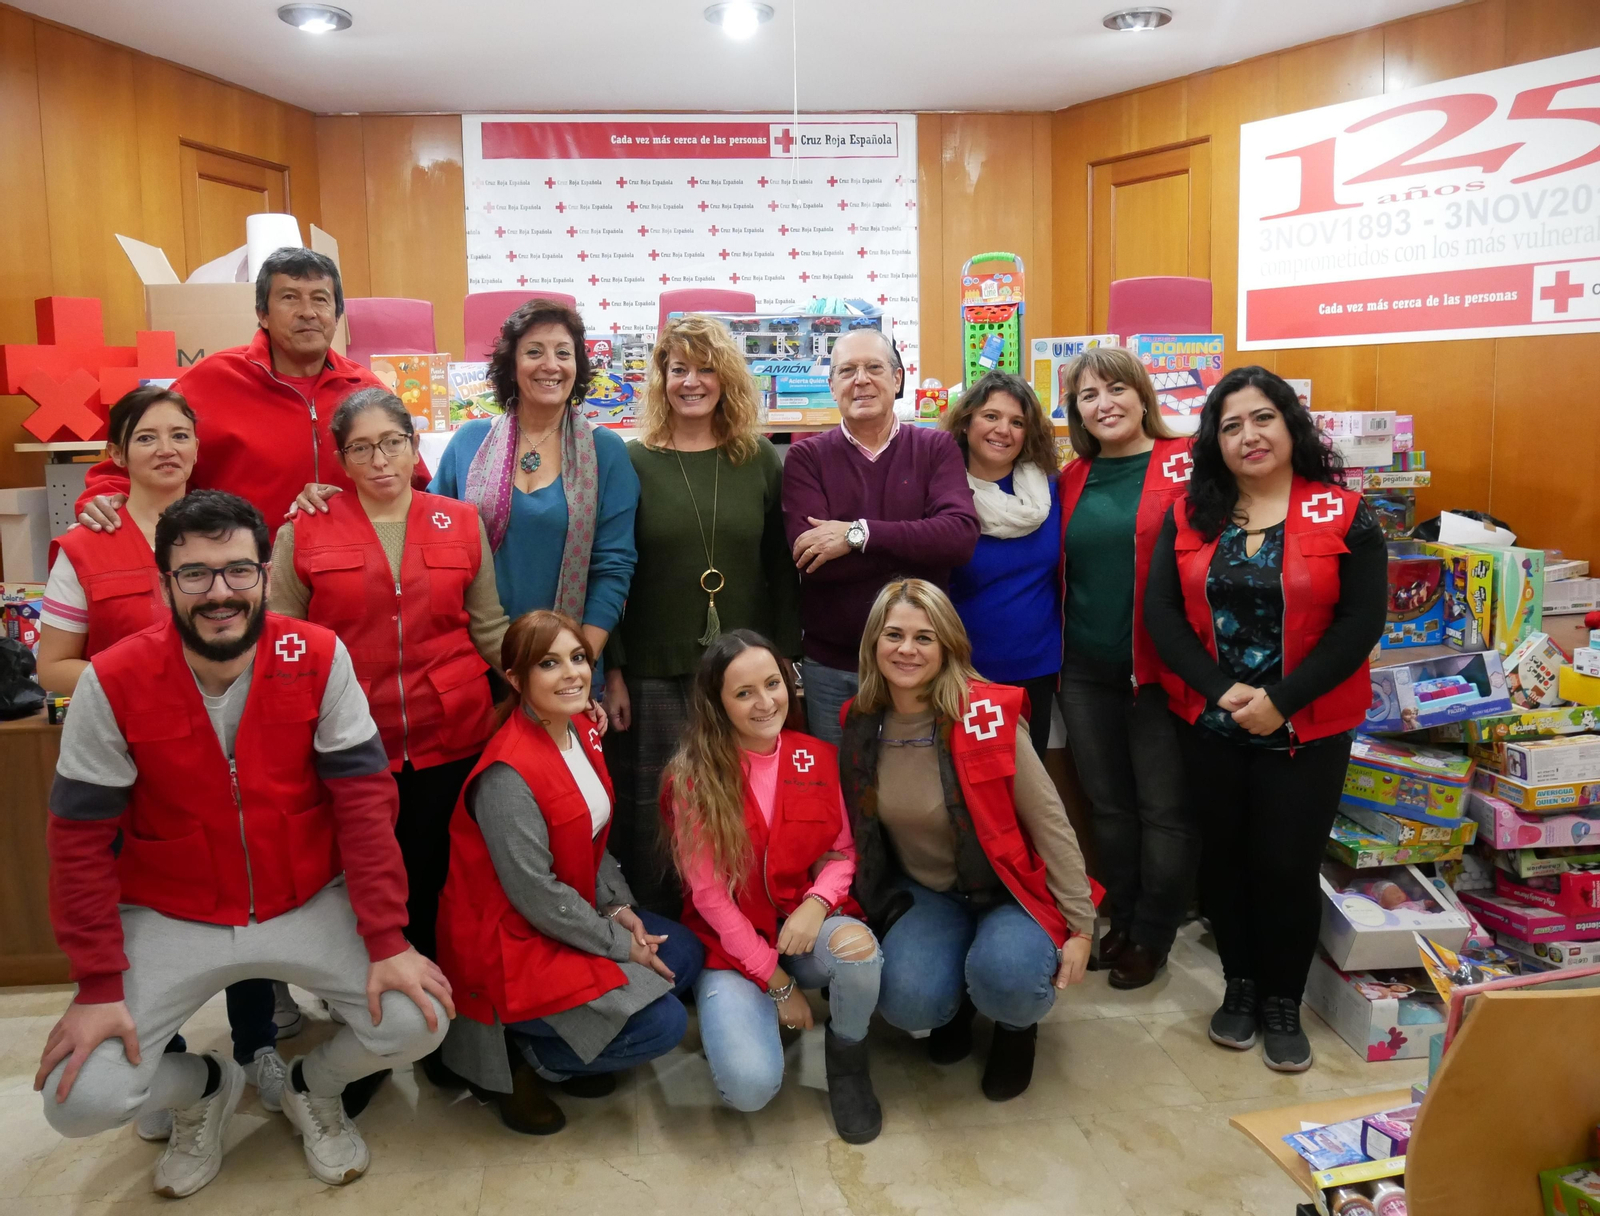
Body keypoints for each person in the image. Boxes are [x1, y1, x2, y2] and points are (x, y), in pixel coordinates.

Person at [35, 490, 451, 1198]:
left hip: (307, 900)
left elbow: (364, 806)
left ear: (264, 573)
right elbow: (77, 842)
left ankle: (307, 1086)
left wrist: (387, 940)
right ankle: (205, 1088)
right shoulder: (114, 679)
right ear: (166, 582)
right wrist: (96, 986)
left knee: (422, 1017)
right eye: (194, 574)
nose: (218, 592)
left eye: (238, 570)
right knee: (80, 1099)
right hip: (171, 914)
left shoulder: (318, 656)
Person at [37, 386, 287, 1132]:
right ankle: (170, 1058)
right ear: (117, 454)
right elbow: (54, 666)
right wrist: (154, 688)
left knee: (250, 887)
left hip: (235, 754)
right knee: (146, 906)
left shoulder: (229, 530)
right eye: (147, 437)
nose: (167, 449)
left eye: (181, 434)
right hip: (131, 763)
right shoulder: (88, 542)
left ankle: (259, 1045)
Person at [1144, 365, 1386, 1073]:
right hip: (1212, 723)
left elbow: (1359, 624)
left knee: (1285, 866)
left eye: (1262, 419)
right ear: (1213, 441)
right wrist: (1222, 692)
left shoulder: (1343, 512)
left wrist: (1279, 700)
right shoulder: (1191, 515)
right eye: (1230, 425)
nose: (1248, 436)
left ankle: (1283, 998)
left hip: (1306, 729)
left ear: (1290, 425)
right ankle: (1240, 987)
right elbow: (1162, 614)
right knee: (1222, 862)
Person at [269, 388, 507, 1077]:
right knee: (363, 897)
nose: (380, 459)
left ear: (413, 446)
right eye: (362, 447)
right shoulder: (304, 529)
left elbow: (489, 629)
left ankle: (434, 1037)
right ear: (340, 459)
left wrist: (549, 684)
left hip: (451, 739)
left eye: (392, 442)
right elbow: (284, 643)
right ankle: (369, 1048)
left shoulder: (460, 522)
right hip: (351, 747)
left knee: (438, 888)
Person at [433, 610, 704, 1135]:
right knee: (663, 1024)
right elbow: (535, 894)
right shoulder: (506, 777)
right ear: (515, 680)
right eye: (549, 663)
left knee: (685, 954)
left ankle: (575, 1038)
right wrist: (618, 943)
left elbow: (592, 838)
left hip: (566, 913)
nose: (573, 673)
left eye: (578, 658)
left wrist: (620, 908)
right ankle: (529, 1055)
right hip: (511, 943)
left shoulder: (580, 729)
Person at [839, 579, 1098, 1101]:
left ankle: (1014, 1027)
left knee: (1009, 978)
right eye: (893, 635)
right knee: (904, 1000)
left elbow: (1051, 824)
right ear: (873, 645)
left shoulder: (986, 715)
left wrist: (1082, 926)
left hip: (1009, 892)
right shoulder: (861, 723)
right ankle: (956, 1004)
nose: (906, 649)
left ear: (948, 648)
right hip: (930, 893)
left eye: (924, 638)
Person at [603, 316, 801, 912]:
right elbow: (612, 566)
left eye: (706, 368)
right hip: (652, 668)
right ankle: (663, 934)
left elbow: (780, 568)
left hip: (741, 675)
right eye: (678, 368)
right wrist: (612, 669)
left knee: (735, 805)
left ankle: (738, 926)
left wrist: (784, 659)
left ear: (727, 378)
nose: (692, 382)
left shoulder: (758, 458)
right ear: (660, 378)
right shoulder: (629, 461)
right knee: (655, 811)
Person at [664, 630, 882, 1142]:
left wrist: (817, 902)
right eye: (744, 693)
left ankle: (848, 1062)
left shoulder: (817, 756)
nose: (765, 702)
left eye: (773, 684)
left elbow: (843, 852)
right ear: (718, 704)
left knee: (858, 950)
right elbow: (710, 897)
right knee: (750, 1088)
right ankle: (748, 1012)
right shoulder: (692, 779)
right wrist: (776, 983)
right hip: (734, 949)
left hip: (798, 930)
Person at [73, 248, 416, 540]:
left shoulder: (367, 389)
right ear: (262, 314)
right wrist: (104, 498)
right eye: (289, 298)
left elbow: (413, 480)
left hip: (348, 568)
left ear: (337, 315)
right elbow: (128, 462)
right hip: (231, 571)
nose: (308, 312)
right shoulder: (208, 382)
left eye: (321, 300)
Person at [1054, 346, 1196, 990]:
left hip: (1161, 673)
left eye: (1115, 389)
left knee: (1164, 808)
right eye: (1087, 396)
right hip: (1085, 668)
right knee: (1108, 806)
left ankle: (1155, 932)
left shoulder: (1184, 466)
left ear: (1142, 396)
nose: (1103, 404)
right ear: (1076, 411)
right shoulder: (1072, 477)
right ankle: (1124, 917)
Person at [782, 328, 978, 746]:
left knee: (921, 798)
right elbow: (812, 561)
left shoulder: (936, 448)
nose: (861, 380)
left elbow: (959, 539)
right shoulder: (806, 458)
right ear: (831, 385)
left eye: (874, 368)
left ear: (897, 379)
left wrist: (857, 534)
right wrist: (919, 547)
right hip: (835, 667)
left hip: (921, 663)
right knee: (841, 799)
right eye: (847, 370)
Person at [428, 300, 638, 653]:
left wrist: (577, 664)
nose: (551, 365)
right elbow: (428, 534)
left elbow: (613, 569)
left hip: (569, 662)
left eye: (563, 353)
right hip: (474, 657)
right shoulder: (469, 441)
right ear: (511, 365)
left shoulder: (606, 452)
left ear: (578, 366)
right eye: (534, 351)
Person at [940, 371, 1063, 757]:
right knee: (968, 795)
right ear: (966, 422)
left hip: (1036, 670)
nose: (1003, 430)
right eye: (991, 416)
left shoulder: (1050, 491)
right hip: (961, 674)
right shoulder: (942, 495)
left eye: (1017, 422)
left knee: (1029, 794)